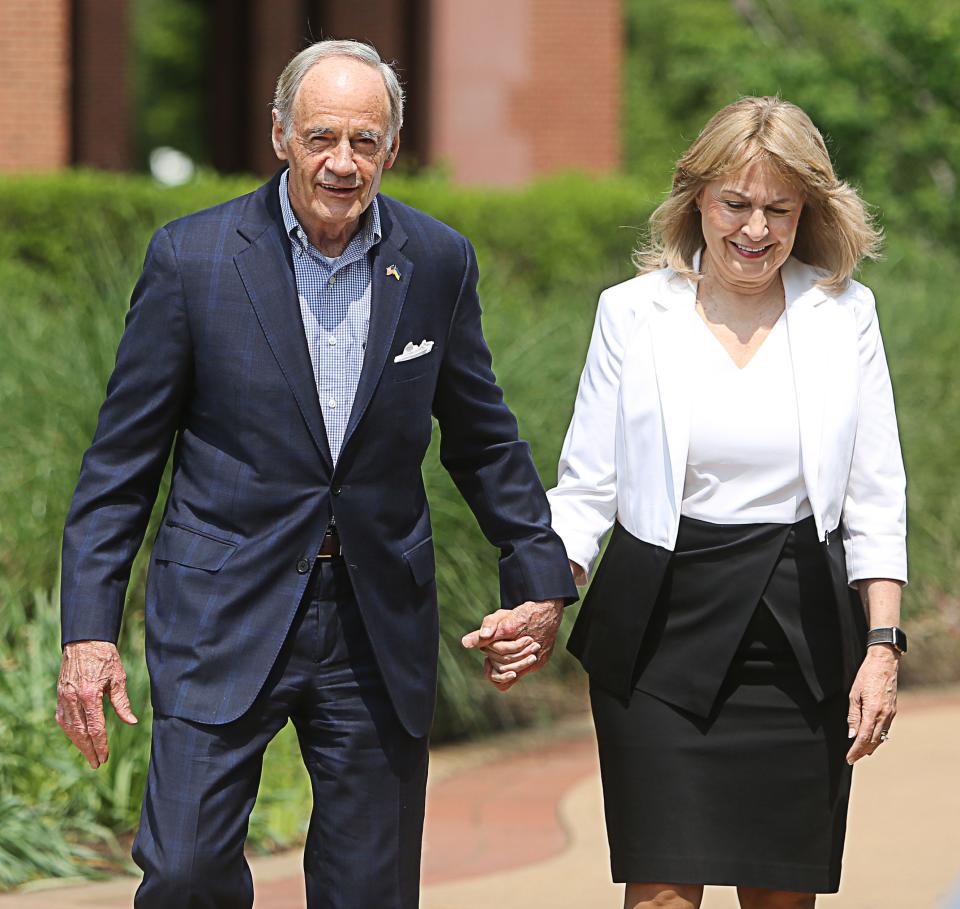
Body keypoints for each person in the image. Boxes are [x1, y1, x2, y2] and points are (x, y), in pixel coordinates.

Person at [55, 39, 576, 909]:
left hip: (375, 621)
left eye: (365, 141)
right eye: (322, 136)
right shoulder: (193, 260)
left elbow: (483, 438)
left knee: (368, 892)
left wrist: (538, 573)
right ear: (280, 137)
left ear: (393, 148)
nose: (343, 162)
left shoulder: (436, 260)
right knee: (184, 873)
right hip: (221, 608)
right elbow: (121, 465)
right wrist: (89, 632)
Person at [470, 96, 907, 909]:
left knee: (780, 896)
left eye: (779, 209)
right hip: (657, 630)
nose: (755, 229)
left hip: (801, 633)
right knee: (663, 891)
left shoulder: (846, 314)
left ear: (807, 210)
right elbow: (588, 486)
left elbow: (876, 495)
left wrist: (882, 647)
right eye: (735, 204)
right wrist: (540, 596)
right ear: (696, 198)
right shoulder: (631, 313)